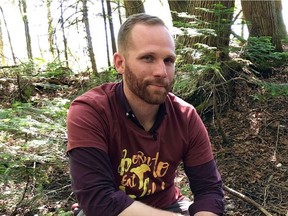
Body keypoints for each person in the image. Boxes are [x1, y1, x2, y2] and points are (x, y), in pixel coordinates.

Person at [67, 13, 224, 216]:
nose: (161, 71)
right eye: (148, 58)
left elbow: (209, 190)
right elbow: (98, 198)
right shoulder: (91, 111)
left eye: (168, 60)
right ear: (120, 63)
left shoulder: (185, 117)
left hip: (168, 206)